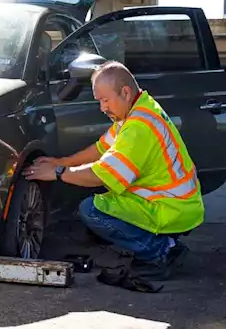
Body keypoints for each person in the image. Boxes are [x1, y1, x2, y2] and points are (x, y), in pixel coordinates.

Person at [23, 60, 203, 280]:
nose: (102, 108)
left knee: (91, 210)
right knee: (91, 192)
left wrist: (59, 172)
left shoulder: (138, 128)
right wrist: (62, 161)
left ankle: (159, 251)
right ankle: (162, 242)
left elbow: (100, 174)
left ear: (125, 92)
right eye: (99, 101)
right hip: (175, 202)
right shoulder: (138, 108)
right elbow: (101, 148)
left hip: (169, 208)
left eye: (105, 100)